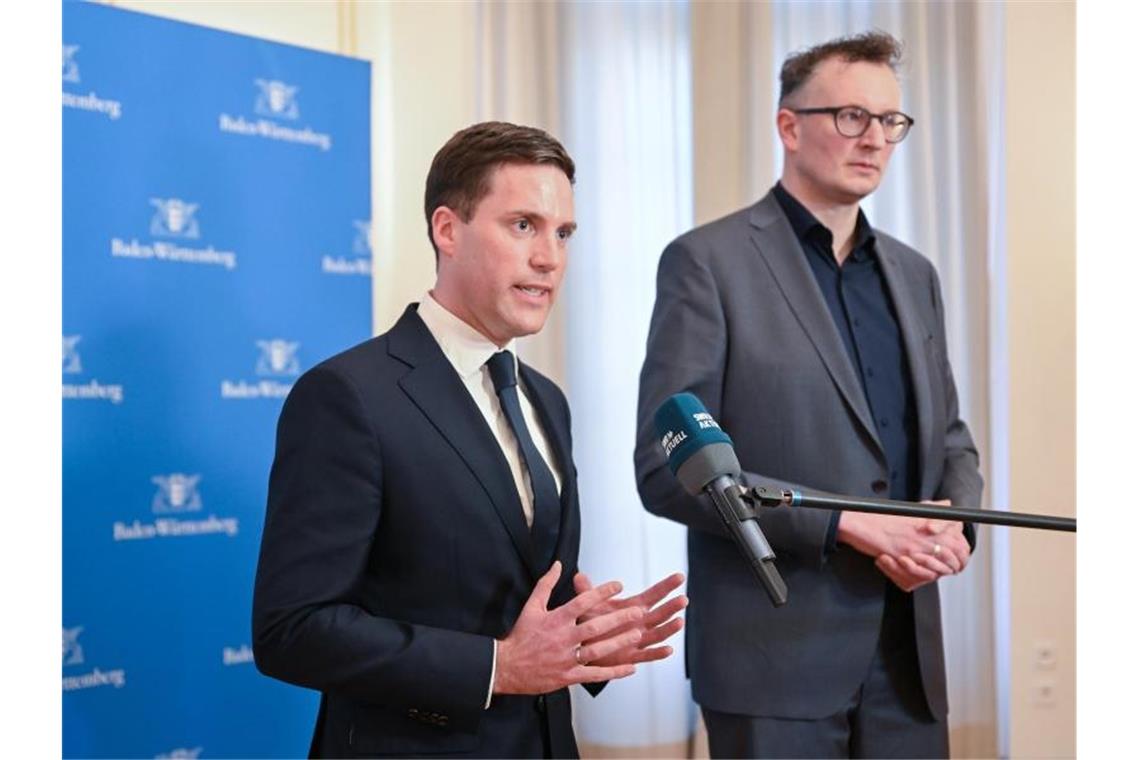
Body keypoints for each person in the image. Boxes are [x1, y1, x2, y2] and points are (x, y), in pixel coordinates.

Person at [254, 121, 686, 759]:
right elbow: (291, 630)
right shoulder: (349, 396)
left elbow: (521, 596)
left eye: (563, 233)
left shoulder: (547, 400)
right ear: (447, 230)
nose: (550, 258)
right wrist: (496, 667)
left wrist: (583, 637)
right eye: (523, 226)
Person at [634, 32, 983, 759]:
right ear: (789, 126)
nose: (876, 139)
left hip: (907, 664)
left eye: (890, 121)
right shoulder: (707, 264)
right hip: (773, 666)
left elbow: (949, 437)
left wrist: (955, 522)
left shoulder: (915, 276)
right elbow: (668, 468)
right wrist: (846, 524)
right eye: (852, 116)